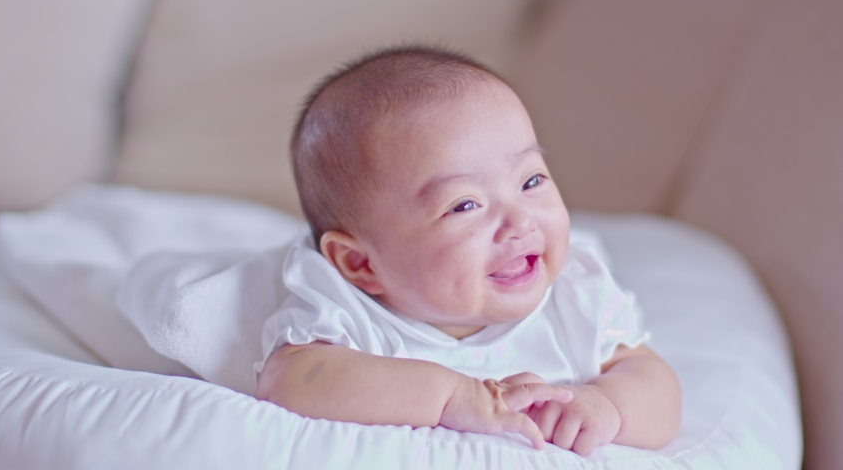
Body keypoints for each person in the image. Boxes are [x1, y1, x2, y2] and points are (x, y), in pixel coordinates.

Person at [254, 45, 681, 456]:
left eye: (531, 180)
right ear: (361, 264)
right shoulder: (349, 311)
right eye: (465, 205)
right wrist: (451, 396)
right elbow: (291, 380)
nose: (521, 223)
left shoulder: (574, 294)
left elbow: (655, 383)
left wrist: (609, 406)